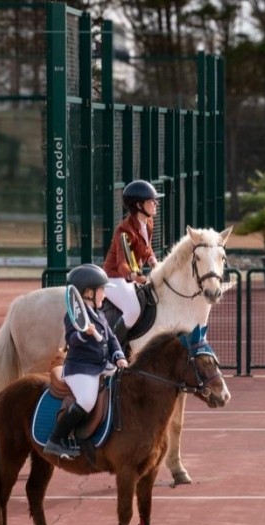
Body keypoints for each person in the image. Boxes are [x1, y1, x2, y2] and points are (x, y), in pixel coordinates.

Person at [44, 264, 128, 459]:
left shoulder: (100, 315)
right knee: (87, 400)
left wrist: (119, 356)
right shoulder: (72, 316)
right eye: (102, 290)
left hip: (101, 366)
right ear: (89, 293)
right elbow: (71, 339)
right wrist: (84, 333)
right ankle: (55, 439)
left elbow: (111, 339)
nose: (105, 295)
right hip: (80, 369)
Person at [103, 180, 164, 344]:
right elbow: (122, 263)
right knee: (133, 310)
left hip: (131, 277)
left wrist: (154, 262)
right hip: (114, 278)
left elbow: (147, 248)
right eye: (151, 200)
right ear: (139, 205)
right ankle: (112, 348)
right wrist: (133, 276)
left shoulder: (148, 222)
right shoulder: (124, 231)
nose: (156, 203)